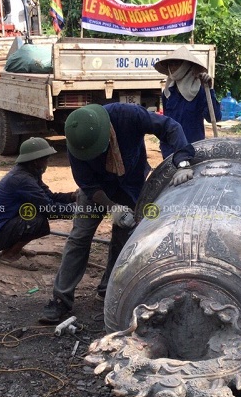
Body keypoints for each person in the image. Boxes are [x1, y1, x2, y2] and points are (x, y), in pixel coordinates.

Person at [39, 103, 196, 323]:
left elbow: (170, 127)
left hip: (129, 183)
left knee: (123, 236)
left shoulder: (128, 116)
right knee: (79, 238)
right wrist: (112, 207)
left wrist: (183, 162)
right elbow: (89, 186)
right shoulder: (77, 145)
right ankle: (60, 299)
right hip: (97, 192)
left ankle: (109, 288)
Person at [0, 138, 75, 268]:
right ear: (36, 161)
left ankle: (13, 248)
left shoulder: (28, 172)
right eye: (46, 159)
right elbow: (49, 209)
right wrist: (80, 210)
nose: (47, 163)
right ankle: (10, 254)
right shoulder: (23, 180)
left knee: (33, 211)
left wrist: (72, 196)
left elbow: (49, 196)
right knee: (37, 219)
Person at [153, 46, 221, 158]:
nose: (172, 67)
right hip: (170, 150)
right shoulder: (168, 92)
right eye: (170, 64)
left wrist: (209, 89)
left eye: (176, 64)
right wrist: (164, 146)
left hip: (193, 150)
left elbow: (215, 117)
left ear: (185, 66)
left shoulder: (200, 91)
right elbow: (166, 122)